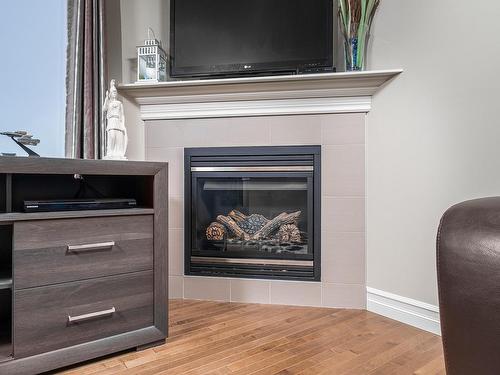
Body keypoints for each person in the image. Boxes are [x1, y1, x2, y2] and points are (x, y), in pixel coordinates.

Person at [103, 79, 127, 159]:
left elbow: (122, 115)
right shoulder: (109, 102)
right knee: (112, 136)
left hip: (118, 121)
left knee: (118, 138)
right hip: (111, 121)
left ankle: (118, 153)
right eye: (113, 92)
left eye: (115, 92)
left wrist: (123, 125)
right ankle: (110, 152)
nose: (114, 93)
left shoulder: (119, 103)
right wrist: (106, 98)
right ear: (110, 93)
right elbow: (104, 109)